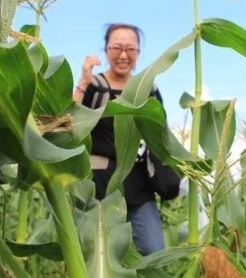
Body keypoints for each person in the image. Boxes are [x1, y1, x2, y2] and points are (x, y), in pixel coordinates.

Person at [73, 23, 179, 256]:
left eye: (130, 49)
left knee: (152, 250)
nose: (123, 56)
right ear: (106, 50)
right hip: (99, 185)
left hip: (139, 183)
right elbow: (68, 124)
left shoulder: (148, 89)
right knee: (100, 255)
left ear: (138, 52)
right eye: (116, 48)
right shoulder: (94, 86)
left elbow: (160, 131)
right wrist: (82, 82)